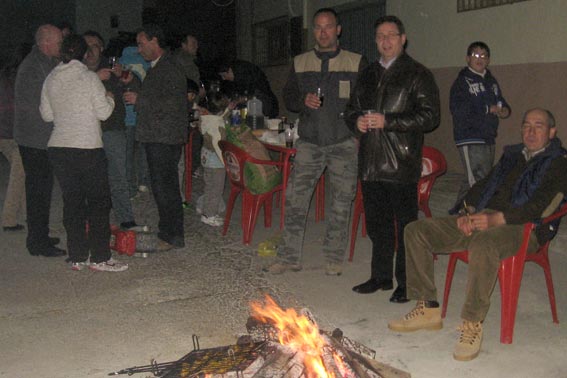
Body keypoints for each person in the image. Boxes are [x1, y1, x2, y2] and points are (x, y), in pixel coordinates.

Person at [388, 108, 567, 361]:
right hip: (486, 216)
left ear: (552, 131)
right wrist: (466, 210)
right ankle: (427, 307)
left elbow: (539, 207)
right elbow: (484, 184)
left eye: (539, 126)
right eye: (526, 125)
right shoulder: (513, 154)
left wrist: (498, 219)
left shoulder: (559, 162)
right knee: (417, 230)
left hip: (523, 227)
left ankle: (472, 324)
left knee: (483, 243)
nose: (531, 131)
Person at [264, 8, 368, 276]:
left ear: (338, 30)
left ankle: (333, 258)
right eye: (318, 27)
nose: (323, 32)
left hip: (343, 142)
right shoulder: (300, 62)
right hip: (310, 142)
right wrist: (303, 101)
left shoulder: (356, 62)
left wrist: (357, 135)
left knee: (341, 202)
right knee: (295, 199)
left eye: (328, 27)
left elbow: (366, 101)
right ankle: (288, 258)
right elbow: (288, 97)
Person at [344, 15, 440, 303]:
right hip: (371, 162)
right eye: (380, 36)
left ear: (403, 38)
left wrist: (389, 121)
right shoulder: (368, 72)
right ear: (376, 41)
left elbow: (430, 117)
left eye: (391, 35)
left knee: (406, 227)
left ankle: (406, 283)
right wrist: (356, 122)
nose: (385, 41)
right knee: (377, 225)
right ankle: (380, 277)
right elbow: (351, 110)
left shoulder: (418, 73)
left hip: (400, 161)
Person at [39, 34, 127, 272]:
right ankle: (100, 257)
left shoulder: (51, 78)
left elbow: (47, 115)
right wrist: (110, 99)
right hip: (87, 147)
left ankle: (77, 256)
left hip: (59, 147)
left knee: (73, 202)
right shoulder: (88, 78)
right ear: (85, 54)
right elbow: (104, 113)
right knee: (99, 202)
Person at [124, 24, 188, 251]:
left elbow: (172, 103)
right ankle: (168, 231)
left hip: (164, 136)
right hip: (158, 135)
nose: (139, 49)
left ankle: (172, 236)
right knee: (162, 187)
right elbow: (159, 96)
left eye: (141, 43)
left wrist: (139, 100)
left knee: (165, 188)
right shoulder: (158, 67)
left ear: (154, 41)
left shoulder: (169, 67)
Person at [83, 30, 144, 231]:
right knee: (91, 178)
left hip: (114, 128)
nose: (90, 50)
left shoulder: (112, 66)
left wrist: (126, 77)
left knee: (118, 176)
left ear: (101, 48)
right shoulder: (78, 71)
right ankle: (93, 219)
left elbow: (136, 84)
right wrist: (94, 78)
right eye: (86, 45)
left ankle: (126, 219)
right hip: (87, 132)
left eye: (94, 45)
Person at [14, 24, 66, 257]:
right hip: (34, 139)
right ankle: (37, 242)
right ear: (46, 43)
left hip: (38, 137)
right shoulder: (34, 67)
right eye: (58, 42)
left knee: (42, 190)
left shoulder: (43, 62)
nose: (61, 46)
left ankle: (40, 235)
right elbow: (46, 103)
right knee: (38, 192)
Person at [449, 41, 511, 212]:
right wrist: (486, 109)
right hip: (470, 136)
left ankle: (466, 211)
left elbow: (500, 102)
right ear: (468, 58)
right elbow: (458, 109)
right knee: (474, 180)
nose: (480, 59)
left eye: (484, 56)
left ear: (488, 60)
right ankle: (460, 213)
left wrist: (505, 110)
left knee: (482, 178)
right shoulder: (462, 82)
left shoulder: (491, 81)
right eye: (476, 55)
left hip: (488, 136)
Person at [0, 44, 30, 232]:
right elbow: (11, 111)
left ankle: (28, 214)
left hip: (7, 134)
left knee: (22, 172)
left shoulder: (7, 77)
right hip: (9, 134)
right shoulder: (14, 80)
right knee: (18, 174)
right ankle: (9, 220)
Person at [119, 44, 151, 197]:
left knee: (133, 154)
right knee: (135, 154)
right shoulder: (144, 63)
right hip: (133, 116)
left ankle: (138, 183)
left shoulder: (147, 64)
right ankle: (137, 184)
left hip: (136, 116)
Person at [198, 91, 229, 226]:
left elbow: (219, 115)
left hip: (206, 158)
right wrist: (226, 163)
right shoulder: (218, 126)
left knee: (209, 185)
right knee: (216, 188)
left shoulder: (206, 119)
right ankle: (209, 215)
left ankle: (204, 207)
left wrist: (228, 109)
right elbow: (218, 146)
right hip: (216, 161)